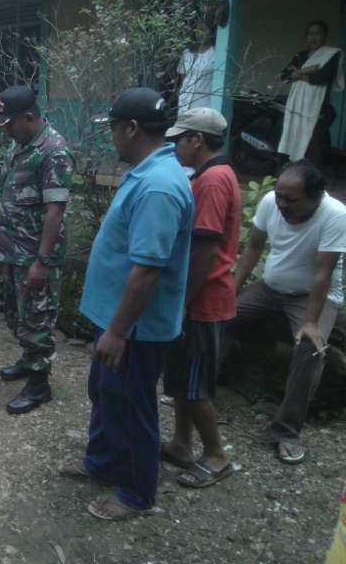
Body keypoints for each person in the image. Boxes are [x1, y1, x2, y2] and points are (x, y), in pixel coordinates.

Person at [65, 87, 193, 521]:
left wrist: (118, 331)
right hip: (115, 318)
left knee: (133, 405)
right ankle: (101, 462)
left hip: (135, 327)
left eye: (115, 129)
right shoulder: (145, 172)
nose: (113, 138)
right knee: (104, 392)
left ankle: (138, 492)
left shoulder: (159, 186)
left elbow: (147, 272)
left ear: (132, 128)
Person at [231, 159, 346, 464]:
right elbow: (253, 248)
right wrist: (230, 292)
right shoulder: (271, 202)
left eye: (291, 199)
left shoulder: (335, 214)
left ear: (316, 196)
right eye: (279, 195)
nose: (281, 203)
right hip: (270, 289)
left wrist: (311, 323)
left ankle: (286, 430)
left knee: (310, 347)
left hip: (313, 296)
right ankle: (199, 390)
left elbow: (322, 273)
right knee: (219, 314)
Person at [161, 107, 240, 488]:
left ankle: (216, 454)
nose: (175, 146)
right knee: (180, 380)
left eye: (179, 139)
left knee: (193, 386)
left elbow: (204, 249)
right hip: (199, 299)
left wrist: (182, 302)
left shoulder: (212, 181)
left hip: (203, 302)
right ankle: (181, 443)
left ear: (196, 140)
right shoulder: (211, 175)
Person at [0, 85, 73, 414]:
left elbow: (55, 212)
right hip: (12, 250)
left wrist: (42, 262)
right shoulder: (18, 145)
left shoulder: (53, 151)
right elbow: (7, 194)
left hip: (35, 255)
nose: (5, 129)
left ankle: (39, 386)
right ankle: (27, 360)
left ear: (30, 117)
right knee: (15, 313)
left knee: (37, 321)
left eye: (9, 123)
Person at [278, 20, 345, 165]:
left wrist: (299, 73)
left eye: (317, 34)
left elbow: (323, 76)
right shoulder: (300, 56)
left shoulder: (331, 55)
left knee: (312, 148)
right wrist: (309, 70)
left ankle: (309, 181)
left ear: (325, 36)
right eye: (310, 34)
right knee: (291, 141)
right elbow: (284, 76)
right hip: (296, 106)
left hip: (317, 110)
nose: (313, 37)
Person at [176, 24, 216, 115]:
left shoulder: (215, 54)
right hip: (184, 102)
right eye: (197, 31)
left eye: (203, 30)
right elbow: (182, 78)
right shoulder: (187, 53)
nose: (200, 34)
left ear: (211, 33)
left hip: (204, 103)